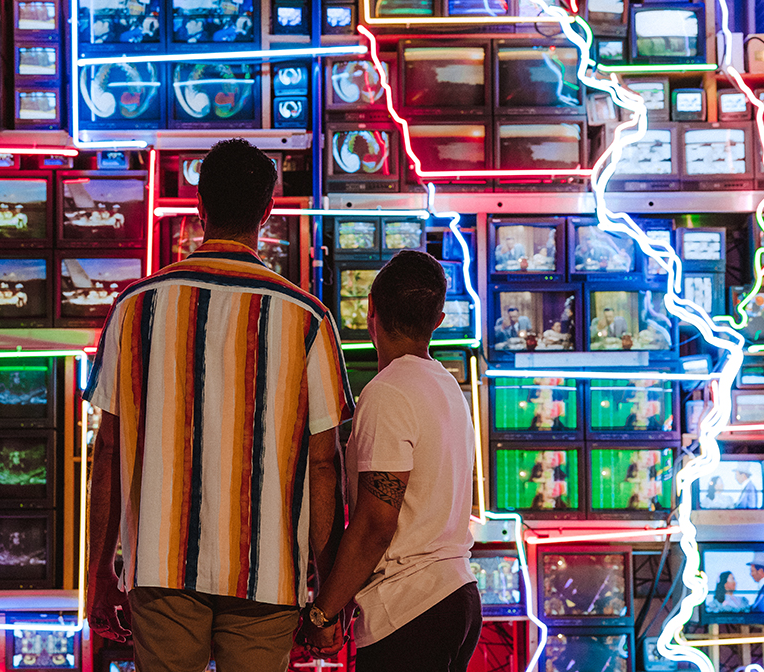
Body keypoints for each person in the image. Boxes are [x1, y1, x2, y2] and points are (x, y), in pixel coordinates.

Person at [85, 139, 353, 672]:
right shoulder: (309, 319)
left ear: (199, 207)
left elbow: (108, 451)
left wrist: (98, 574)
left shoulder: (135, 307)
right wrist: (328, 600)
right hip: (268, 575)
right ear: (268, 212)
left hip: (161, 571)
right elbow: (324, 464)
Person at [298, 250, 480, 672]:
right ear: (437, 321)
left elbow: (376, 524)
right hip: (458, 594)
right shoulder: (447, 387)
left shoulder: (387, 392)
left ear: (370, 311)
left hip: (411, 608)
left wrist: (323, 611)